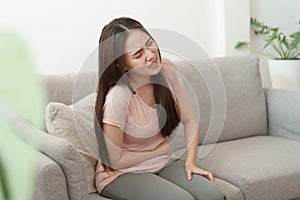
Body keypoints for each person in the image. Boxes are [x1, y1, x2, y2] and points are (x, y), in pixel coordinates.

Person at [94, 17, 224, 200]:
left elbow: (190, 119)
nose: (150, 55)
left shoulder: (166, 70)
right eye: (138, 54)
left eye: (149, 44)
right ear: (121, 65)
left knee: (212, 195)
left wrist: (190, 162)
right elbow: (116, 160)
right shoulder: (118, 96)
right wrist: (160, 151)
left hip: (162, 162)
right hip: (120, 173)